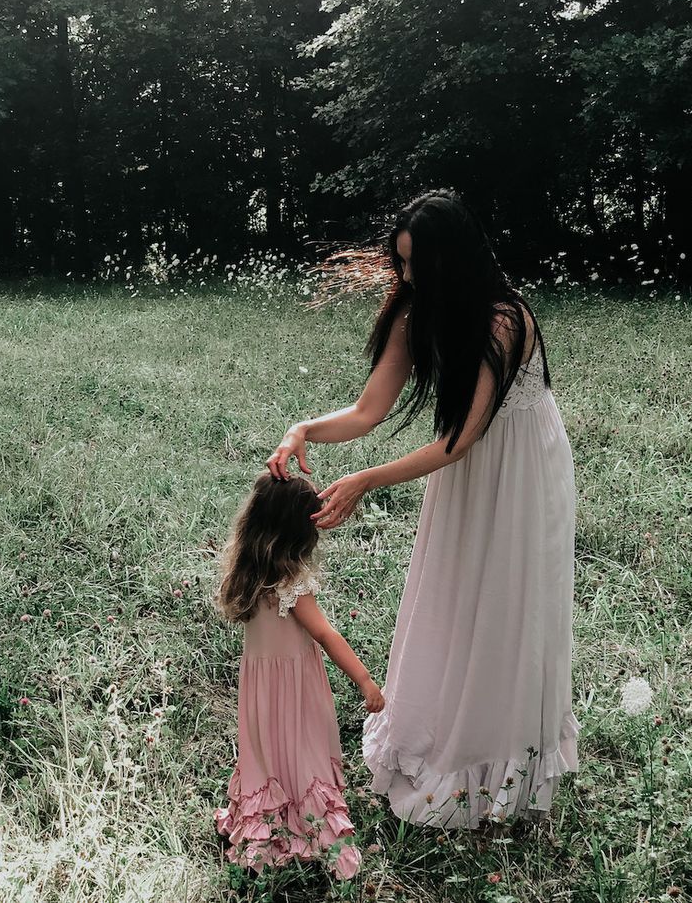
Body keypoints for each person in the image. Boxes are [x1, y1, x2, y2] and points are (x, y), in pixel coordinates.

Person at [267, 189, 579, 831]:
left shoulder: (504, 320)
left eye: (417, 264)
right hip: (461, 471)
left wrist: (366, 481)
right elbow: (367, 411)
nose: (406, 277)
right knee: (453, 595)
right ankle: (438, 734)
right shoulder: (415, 311)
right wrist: (304, 428)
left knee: (507, 604)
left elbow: (462, 437)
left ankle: (497, 755)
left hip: (517, 465)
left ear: (452, 261)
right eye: (401, 262)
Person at [213, 470, 385, 879]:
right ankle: (314, 832)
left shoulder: (248, 571)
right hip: (294, 689)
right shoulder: (289, 582)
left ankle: (266, 825)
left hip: (260, 690)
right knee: (302, 751)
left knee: (269, 752)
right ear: (298, 532)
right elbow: (326, 635)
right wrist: (365, 680)